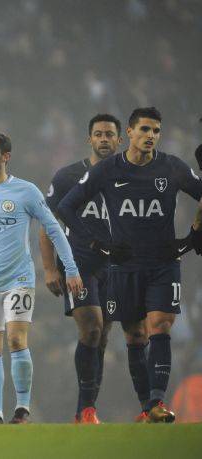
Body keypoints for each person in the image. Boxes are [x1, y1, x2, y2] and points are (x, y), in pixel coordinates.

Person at [58, 107, 202, 423]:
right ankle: (142, 408)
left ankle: (156, 402)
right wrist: (98, 244)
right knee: (135, 336)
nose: (151, 136)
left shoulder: (172, 168)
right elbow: (68, 206)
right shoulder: (109, 170)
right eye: (145, 130)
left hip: (164, 264)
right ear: (132, 134)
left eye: (156, 131)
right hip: (123, 267)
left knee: (161, 325)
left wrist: (192, 237)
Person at [0, 131, 83, 424]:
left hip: (19, 279)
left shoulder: (26, 191)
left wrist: (70, 268)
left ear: (5, 157)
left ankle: (22, 408)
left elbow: (53, 228)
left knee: (16, 339)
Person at [39, 114, 121, 423]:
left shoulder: (132, 178)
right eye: (98, 133)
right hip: (78, 264)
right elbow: (47, 224)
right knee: (92, 328)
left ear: (118, 140)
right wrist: (49, 268)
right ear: (89, 139)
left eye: (109, 134)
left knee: (103, 335)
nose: (103, 138)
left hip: (116, 266)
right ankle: (86, 410)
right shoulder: (67, 177)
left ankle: (86, 409)